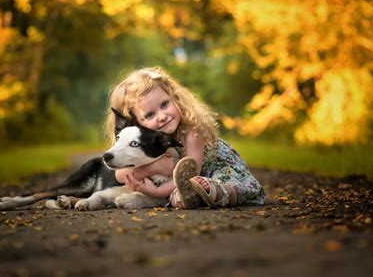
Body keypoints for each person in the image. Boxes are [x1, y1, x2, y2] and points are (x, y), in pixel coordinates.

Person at [104, 66, 265, 208]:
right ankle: (192, 198)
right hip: (181, 185)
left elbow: (190, 174)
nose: (161, 116)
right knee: (177, 197)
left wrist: (157, 191)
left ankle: (215, 193)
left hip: (216, 173)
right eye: (150, 114)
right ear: (137, 123)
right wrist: (154, 168)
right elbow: (120, 175)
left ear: (174, 98)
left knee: (223, 187)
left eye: (165, 104)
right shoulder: (145, 141)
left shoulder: (192, 130)